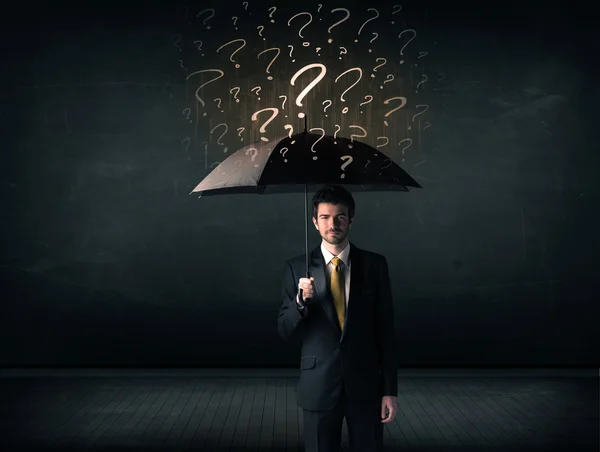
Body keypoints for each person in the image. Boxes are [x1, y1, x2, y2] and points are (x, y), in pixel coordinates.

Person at [277, 184, 398, 452]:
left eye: (340, 217)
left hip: (367, 387)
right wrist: (300, 303)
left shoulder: (375, 265)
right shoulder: (297, 267)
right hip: (318, 386)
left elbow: (386, 331)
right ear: (315, 222)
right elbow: (284, 330)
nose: (333, 224)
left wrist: (390, 390)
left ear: (351, 220)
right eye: (325, 217)